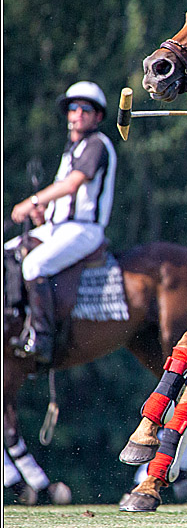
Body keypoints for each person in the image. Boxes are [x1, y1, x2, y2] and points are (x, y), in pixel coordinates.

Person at [7, 81, 117, 364]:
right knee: (8, 251)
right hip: (57, 227)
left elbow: (71, 186)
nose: (77, 113)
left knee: (35, 265)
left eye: (85, 109)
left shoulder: (96, 145)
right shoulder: (72, 150)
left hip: (84, 230)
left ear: (98, 116)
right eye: (73, 108)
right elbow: (63, 195)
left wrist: (32, 201)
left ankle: (41, 338)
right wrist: (43, 212)